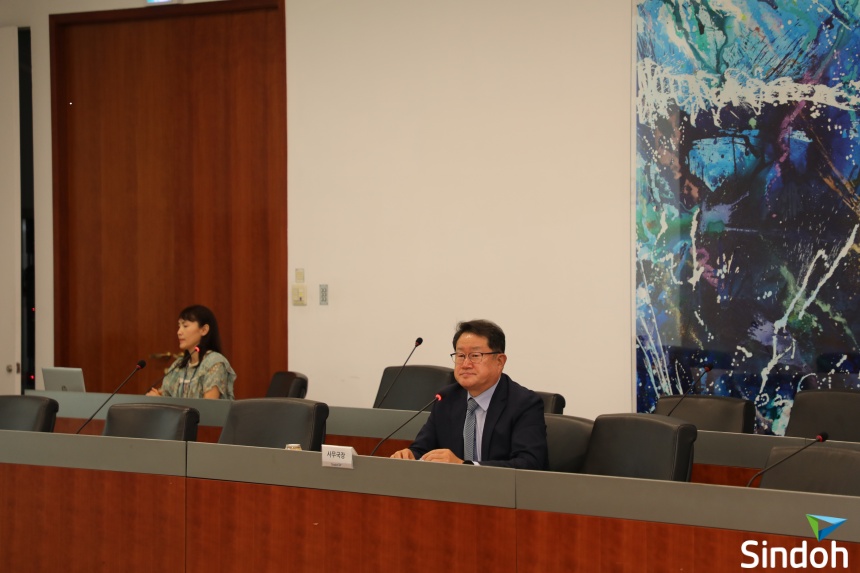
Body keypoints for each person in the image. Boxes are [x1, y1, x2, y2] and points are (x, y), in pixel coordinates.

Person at [391, 319, 547, 469]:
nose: (465, 364)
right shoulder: (446, 398)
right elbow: (423, 449)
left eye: (475, 356)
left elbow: (529, 464)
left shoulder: (524, 404)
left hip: (499, 487)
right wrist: (410, 455)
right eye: (460, 356)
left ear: (499, 361)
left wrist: (465, 466)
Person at [146, 305, 236, 400]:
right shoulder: (178, 365)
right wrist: (156, 398)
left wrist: (163, 401)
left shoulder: (215, 363)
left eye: (185, 326)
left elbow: (208, 406)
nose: (179, 332)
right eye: (179, 326)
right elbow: (164, 396)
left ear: (204, 330)